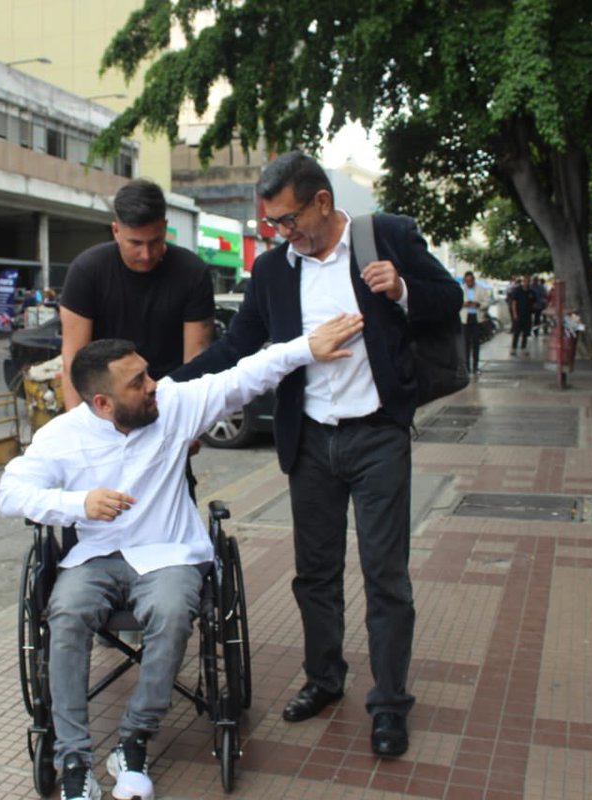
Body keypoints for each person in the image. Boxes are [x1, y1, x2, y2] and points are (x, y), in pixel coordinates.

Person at [0, 314, 364, 800]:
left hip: (168, 553)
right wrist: (76, 504)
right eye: (138, 383)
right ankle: (73, 760)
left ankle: (133, 740)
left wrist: (306, 347)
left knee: (172, 614)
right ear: (103, 403)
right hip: (96, 557)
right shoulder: (62, 437)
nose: (154, 386)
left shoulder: (173, 403)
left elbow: (245, 374)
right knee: (65, 614)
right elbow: (10, 492)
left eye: (147, 373)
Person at [170, 152, 462, 760]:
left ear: (322, 202)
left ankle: (389, 705)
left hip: (377, 436)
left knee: (386, 576)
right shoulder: (276, 270)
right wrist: (170, 390)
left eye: (286, 219)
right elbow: (239, 344)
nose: (281, 232)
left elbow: (449, 297)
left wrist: (404, 288)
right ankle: (325, 680)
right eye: (273, 223)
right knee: (315, 575)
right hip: (309, 441)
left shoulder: (386, 237)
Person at [59, 178, 214, 411]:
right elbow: (73, 362)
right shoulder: (86, 272)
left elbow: (195, 361)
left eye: (155, 241)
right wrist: (79, 428)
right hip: (106, 404)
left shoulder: (192, 273)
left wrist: (190, 425)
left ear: (165, 226)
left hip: (168, 401)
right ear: (116, 231)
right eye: (135, 243)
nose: (146, 254)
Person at [460, 271, 490, 374]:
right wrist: (464, 304)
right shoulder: (461, 289)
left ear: (473, 280)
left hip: (476, 318)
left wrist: (478, 305)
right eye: (467, 281)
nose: (469, 283)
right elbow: (456, 302)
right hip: (465, 318)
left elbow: (486, 302)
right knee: (466, 344)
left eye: (471, 281)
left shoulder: (481, 289)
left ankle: (475, 366)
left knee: (476, 343)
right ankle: (467, 367)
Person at [508, 276, 534, 355]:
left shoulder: (531, 292)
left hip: (527, 315)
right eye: (525, 281)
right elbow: (514, 303)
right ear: (523, 282)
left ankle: (524, 348)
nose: (526, 283)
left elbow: (534, 302)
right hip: (519, 315)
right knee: (517, 332)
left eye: (528, 281)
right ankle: (514, 348)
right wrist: (515, 314)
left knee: (525, 333)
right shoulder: (518, 291)